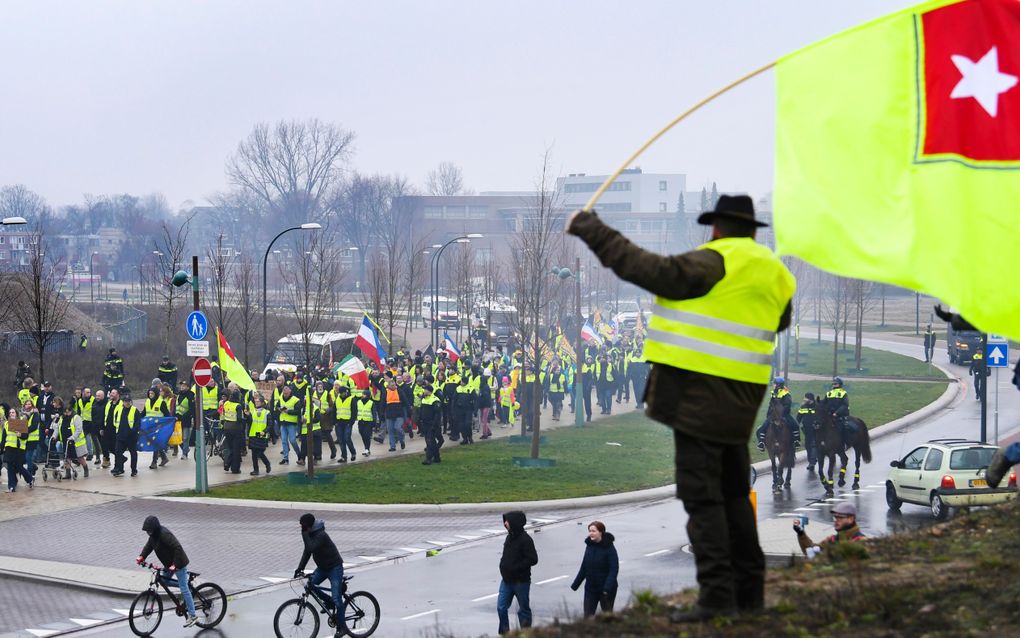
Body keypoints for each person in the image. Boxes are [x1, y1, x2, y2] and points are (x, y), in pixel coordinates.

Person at [568, 194, 795, 621]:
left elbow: (649, 270)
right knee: (732, 497)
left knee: (702, 500)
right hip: (742, 402)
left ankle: (715, 598)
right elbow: (777, 321)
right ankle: (749, 594)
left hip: (699, 400)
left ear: (716, 228)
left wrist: (591, 228)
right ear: (752, 229)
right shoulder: (775, 275)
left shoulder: (714, 262)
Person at [137, 516, 198, 627]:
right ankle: (185, 586)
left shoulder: (164, 534)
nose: (148, 533)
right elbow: (149, 546)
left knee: (184, 589)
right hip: (169, 565)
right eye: (147, 531)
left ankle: (193, 616)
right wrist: (142, 556)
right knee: (164, 581)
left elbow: (178, 548)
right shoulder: (153, 537)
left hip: (179, 563)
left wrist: (175, 565)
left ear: (155, 528)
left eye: (149, 530)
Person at [294, 513, 346, 637]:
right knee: (310, 585)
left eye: (302, 525)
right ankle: (328, 602)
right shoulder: (311, 533)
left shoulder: (321, 535)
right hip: (322, 568)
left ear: (308, 525)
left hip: (334, 567)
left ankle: (342, 627)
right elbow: (307, 552)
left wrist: (304, 533)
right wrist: (300, 568)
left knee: (337, 599)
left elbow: (310, 548)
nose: (301, 527)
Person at [497, 511, 538, 635]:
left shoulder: (526, 540)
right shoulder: (509, 537)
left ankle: (525, 634)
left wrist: (516, 568)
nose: (505, 523)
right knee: (501, 607)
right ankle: (505, 633)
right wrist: (502, 565)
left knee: (523, 609)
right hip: (506, 580)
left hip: (521, 582)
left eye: (507, 521)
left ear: (514, 522)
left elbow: (533, 559)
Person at [570, 520, 619, 617]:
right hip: (591, 588)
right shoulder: (589, 546)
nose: (591, 533)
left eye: (593, 531)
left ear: (601, 532)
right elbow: (584, 567)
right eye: (589, 531)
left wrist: (607, 588)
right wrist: (575, 584)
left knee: (607, 617)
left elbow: (614, 569)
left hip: (606, 589)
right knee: (587, 616)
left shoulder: (609, 548)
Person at [792, 502, 865, 557]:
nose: (836, 520)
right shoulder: (832, 540)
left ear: (851, 519)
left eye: (840, 517)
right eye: (835, 517)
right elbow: (811, 552)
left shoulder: (861, 541)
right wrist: (801, 533)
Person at [755, 378, 800, 451]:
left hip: (784, 414)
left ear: (778, 385)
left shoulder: (785, 393)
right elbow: (770, 404)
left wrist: (781, 413)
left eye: (774, 383)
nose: (773, 384)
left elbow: (787, 405)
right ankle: (761, 443)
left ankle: (796, 441)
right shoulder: (773, 392)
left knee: (795, 425)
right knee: (763, 427)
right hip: (773, 415)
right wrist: (768, 415)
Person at [4, 407, 34, 492]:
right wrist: (2, 447)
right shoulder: (7, 423)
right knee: (10, 467)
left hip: (19, 449)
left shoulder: (21, 422)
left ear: (16, 414)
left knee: (19, 467)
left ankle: (29, 479)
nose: (11, 414)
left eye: (13, 412)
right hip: (9, 448)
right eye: (10, 413)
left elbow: (26, 436)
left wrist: (20, 435)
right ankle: (11, 487)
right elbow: (4, 437)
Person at [112, 393, 141, 477]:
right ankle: (119, 469)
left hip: (131, 437)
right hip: (120, 436)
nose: (127, 403)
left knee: (133, 453)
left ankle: (134, 469)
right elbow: (115, 421)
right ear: (123, 402)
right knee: (118, 452)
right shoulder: (119, 410)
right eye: (125, 401)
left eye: (128, 401)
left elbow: (138, 423)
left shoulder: (135, 410)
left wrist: (133, 431)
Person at [247, 393, 271, 475]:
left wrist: (265, 431)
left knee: (260, 452)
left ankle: (267, 464)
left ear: (262, 403)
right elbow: (249, 423)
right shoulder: (252, 411)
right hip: (253, 434)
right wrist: (246, 415)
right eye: (255, 401)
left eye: (258, 402)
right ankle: (255, 470)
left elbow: (270, 424)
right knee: (254, 454)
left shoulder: (267, 412)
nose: (256, 403)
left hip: (262, 434)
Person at [419, 383, 443, 465]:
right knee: (431, 442)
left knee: (430, 442)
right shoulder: (424, 399)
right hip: (425, 424)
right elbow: (421, 411)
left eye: (425, 389)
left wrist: (434, 425)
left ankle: (428, 458)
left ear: (429, 391)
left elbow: (437, 415)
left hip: (432, 424)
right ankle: (437, 457)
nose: (423, 391)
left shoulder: (435, 400)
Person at [796, 393, 819, 472]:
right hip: (806, 431)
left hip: (816, 430)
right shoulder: (803, 407)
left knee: (813, 445)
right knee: (807, 446)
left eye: (806, 398)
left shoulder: (817, 406)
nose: (805, 400)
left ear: (811, 399)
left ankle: (812, 462)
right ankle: (811, 461)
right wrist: (795, 426)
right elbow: (798, 418)